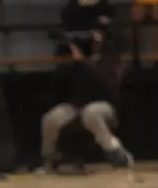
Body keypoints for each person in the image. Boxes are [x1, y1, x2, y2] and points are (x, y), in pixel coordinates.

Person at [40, 34, 133, 171]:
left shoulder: (109, 58)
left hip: (104, 104)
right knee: (51, 119)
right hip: (76, 105)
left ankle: (116, 151)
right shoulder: (75, 61)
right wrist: (66, 65)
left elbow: (106, 84)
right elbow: (61, 87)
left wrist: (83, 63)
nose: (94, 42)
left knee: (90, 112)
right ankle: (50, 158)